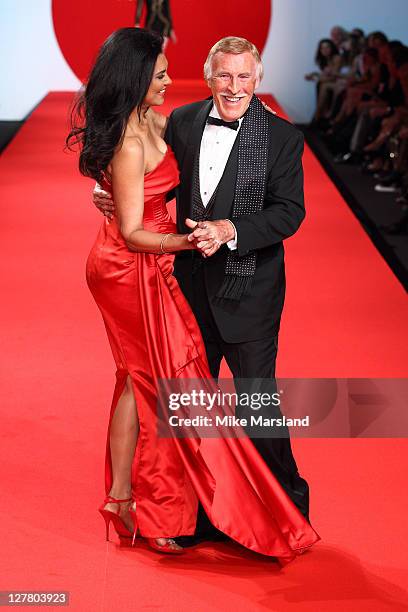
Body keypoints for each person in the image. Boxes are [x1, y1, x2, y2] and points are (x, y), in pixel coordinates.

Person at [94, 34, 313, 545]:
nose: (233, 87)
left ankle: (284, 513)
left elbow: (289, 213)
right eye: (224, 76)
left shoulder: (282, 139)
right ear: (209, 75)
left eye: (243, 77)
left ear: (257, 79)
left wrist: (229, 230)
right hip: (185, 286)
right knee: (185, 406)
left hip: (250, 290)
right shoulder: (184, 122)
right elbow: (147, 174)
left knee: (257, 402)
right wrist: (103, 189)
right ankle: (194, 514)